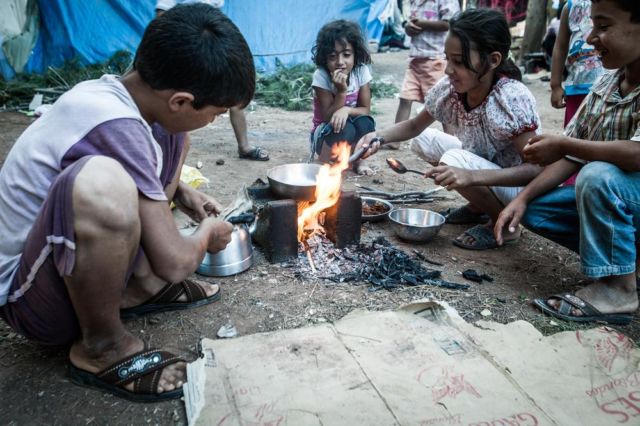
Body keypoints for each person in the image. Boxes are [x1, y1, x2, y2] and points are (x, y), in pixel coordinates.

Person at [0, 4, 254, 401]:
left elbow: (151, 165)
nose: (215, 121)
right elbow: (175, 262)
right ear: (181, 101)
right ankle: (101, 347)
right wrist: (206, 234)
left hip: (62, 270)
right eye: (216, 113)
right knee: (104, 183)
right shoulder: (114, 124)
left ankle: (139, 286)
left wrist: (183, 192)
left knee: (172, 137)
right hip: (31, 299)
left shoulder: (125, 99)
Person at [495, 0, 640, 325]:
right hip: (629, 202)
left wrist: (564, 143)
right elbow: (573, 156)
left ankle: (619, 289)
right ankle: (629, 264)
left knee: (597, 176)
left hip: (630, 195)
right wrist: (521, 198)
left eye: (603, 26)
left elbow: (635, 153)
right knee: (535, 208)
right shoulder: (605, 83)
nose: (590, 38)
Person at [358, 8, 542, 250]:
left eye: (458, 61)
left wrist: (471, 176)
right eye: (447, 59)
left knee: (452, 159)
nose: (448, 70)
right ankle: (479, 207)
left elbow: (536, 169)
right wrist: (377, 137)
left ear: (493, 60)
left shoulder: (510, 98)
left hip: (517, 188)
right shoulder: (451, 89)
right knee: (424, 139)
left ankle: (505, 224)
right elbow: (415, 126)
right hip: (485, 166)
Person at [156, 0, 269, 161]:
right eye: (215, 115)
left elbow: (215, 18)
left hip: (213, 45)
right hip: (188, 48)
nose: (212, 120)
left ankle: (244, 146)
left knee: (234, 90)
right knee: (176, 131)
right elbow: (161, 17)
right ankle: (166, 151)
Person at [310, 19, 376, 175]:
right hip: (325, 136)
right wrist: (341, 92)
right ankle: (324, 162)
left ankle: (360, 161)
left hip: (351, 131)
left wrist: (346, 110)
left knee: (366, 122)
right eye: (333, 56)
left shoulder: (361, 72)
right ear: (325, 58)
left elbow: (365, 109)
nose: (340, 62)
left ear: (355, 54)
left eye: (346, 55)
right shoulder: (321, 76)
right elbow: (327, 118)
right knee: (343, 126)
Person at [393, 0, 459, 147]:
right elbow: (409, 21)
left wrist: (422, 24)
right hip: (415, 59)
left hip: (435, 59)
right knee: (405, 99)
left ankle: (452, 141)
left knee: (441, 102)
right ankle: (395, 140)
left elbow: (448, 24)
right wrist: (408, 27)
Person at [550, 0, 604, 128]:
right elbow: (560, 46)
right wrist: (555, 85)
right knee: (574, 135)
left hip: (611, 84)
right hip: (578, 86)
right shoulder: (570, 6)